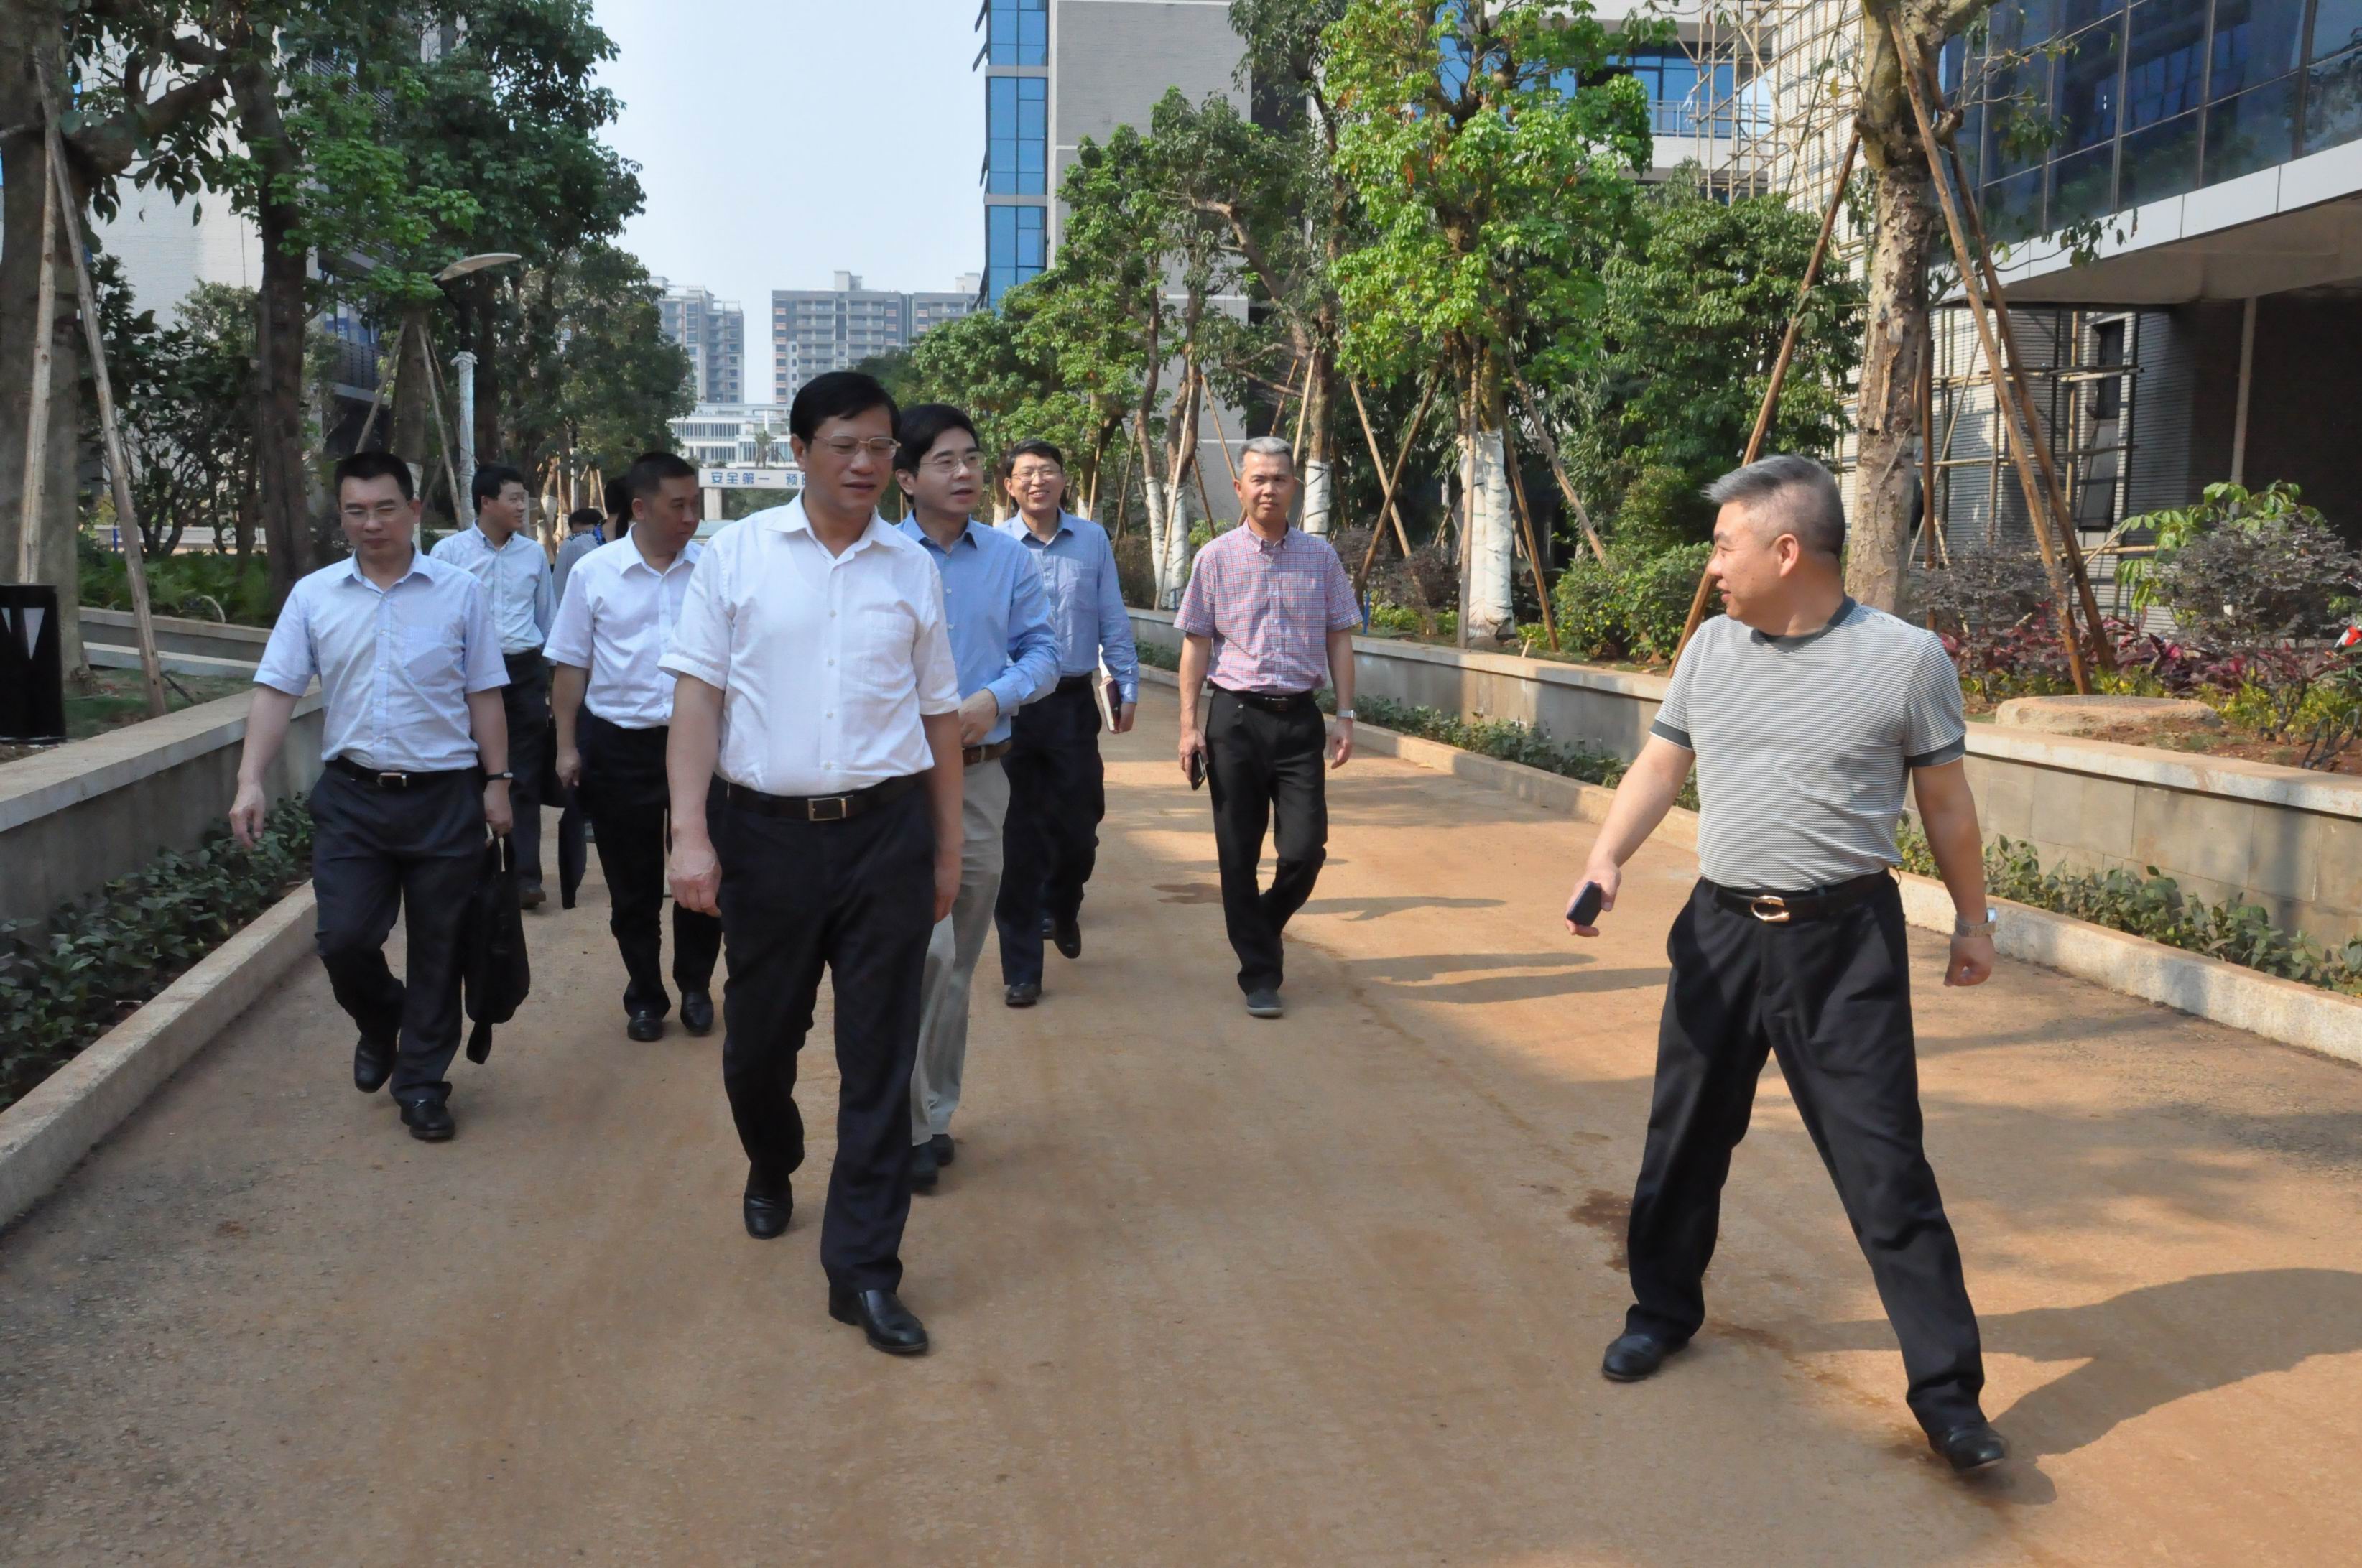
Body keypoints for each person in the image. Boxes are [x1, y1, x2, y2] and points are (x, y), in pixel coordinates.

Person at [1567, 455, 2006, 1475]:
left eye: (1725, 544)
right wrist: (1606, 854)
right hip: (1719, 934)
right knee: (1682, 1141)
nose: (1711, 563)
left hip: (1842, 945)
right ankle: (1661, 1310)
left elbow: (1946, 803)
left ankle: (1949, 1397)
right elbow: (1663, 761)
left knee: (1886, 1169)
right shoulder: (1712, 648)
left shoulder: (1905, 659)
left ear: (1787, 548)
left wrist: (1975, 922)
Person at [662, 371, 963, 1356]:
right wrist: (690, 832)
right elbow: (697, 701)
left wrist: (947, 847)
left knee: (879, 1057)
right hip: (768, 837)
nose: (867, 464)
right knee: (758, 1043)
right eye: (846, 445)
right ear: (800, 451)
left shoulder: (911, 568)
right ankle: (772, 1152)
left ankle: (864, 1270)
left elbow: (939, 719)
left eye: (881, 447)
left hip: (885, 837)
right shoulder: (737, 556)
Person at [231, 450, 512, 1142]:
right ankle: (383, 1015)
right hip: (354, 798)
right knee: (343, 938)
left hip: (444, 795)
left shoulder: (459, 592)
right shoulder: (315, 595)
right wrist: (249, 778)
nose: (372, 523)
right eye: (356, 511)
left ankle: (421, 1083)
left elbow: (484, 692)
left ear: (415, 510)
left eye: (385, 508)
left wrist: (499, 781)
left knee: (440, 947)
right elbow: (277, 689)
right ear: (342, 517)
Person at [891, 405, 1058, 1193]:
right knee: (918, 952)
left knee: (958, 957)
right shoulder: (878, 555)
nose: (963, 473)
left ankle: (936, 1109)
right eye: (943, 460)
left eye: (971, 458)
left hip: (984, 774)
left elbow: (1044, 651)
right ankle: (908, 1120)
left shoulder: (1007, 559)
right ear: (906, 477)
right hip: (894, 783)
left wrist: (996, 697)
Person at [1173, 437, 1358, 1020]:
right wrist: (1187, 726)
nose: (1268, 489)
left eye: (1279, 478)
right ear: (1240, 487)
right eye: (1258, 479)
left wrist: (1346, 713)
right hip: (1234, 719)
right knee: (1237, 853)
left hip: (1299, 719)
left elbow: (1339, 636)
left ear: (1293, 486)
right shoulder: (1215, 557)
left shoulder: (1321, 556)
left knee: (1305, 850)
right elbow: (1196, 644)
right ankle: (1260, 973)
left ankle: (1259, 924)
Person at [548, 453, 721, 1042]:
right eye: (680, 506)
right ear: (642, 509)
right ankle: (645, 991)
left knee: (703, 878)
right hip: (620, 745)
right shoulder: (593, 573)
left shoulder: (713, 570)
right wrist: (566, 746)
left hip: (702, 745)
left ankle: (696, 984)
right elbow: (571, 665)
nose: (691, 517)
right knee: (633, 885)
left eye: (695, 503)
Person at [992, 439, 1139, 1007]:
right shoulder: (993, 546)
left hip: (1073, 703)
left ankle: (1065, 901)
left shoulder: (1092, 539)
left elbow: (1111, 615)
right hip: (1009, 707)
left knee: (1080, 822)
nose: (1037, 480)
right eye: (1025, 473)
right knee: (1017, 835)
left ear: (1063, 480)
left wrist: (1125, 684)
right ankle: (1022, 966)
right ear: (1008, 485)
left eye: (1048, 470)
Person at [431, 463, 555, 907]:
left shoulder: (533, 555)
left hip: (522, 672)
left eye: (525, 498)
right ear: (486, 502)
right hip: (466, 676)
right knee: (466, 772)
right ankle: (465, 870)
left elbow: (547, 619)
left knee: (522, 777)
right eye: (515, 498)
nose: (523, 506)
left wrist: (548, 680)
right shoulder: (448, 555)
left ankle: (525, 877)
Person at [550, 506, 608, 907]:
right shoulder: (581, 554)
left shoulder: (699, 566)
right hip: (603, 715)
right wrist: (564, 742)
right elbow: (557, 608)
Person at [552, 505, 607, 612]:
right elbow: (559, 589)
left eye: (587, 534)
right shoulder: (570, 547)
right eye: (576, 535)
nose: (581, 541)